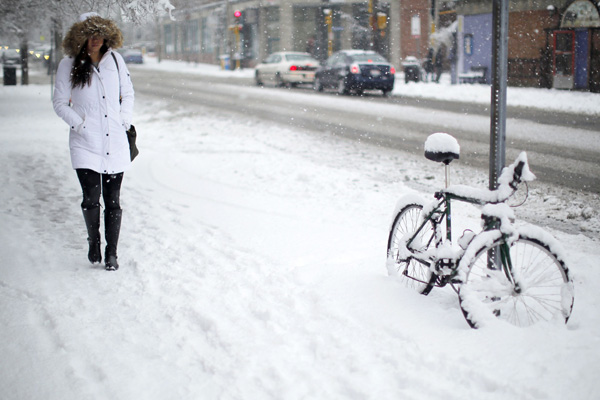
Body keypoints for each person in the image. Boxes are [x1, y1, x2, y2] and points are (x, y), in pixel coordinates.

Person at [53, 13, 134, 271]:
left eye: (100, 34)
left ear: (107, 36)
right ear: (81, 37)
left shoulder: (116, 61)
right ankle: (93, 240)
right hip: (85, 142)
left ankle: (112, 252)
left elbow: (128, 93)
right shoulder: (68, 64)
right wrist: (81, 124)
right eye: (90, 34)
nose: (95, 39)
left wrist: (124, 121)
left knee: (113, 200)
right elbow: (59, 103)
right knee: (91, 198)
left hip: (115, 141)